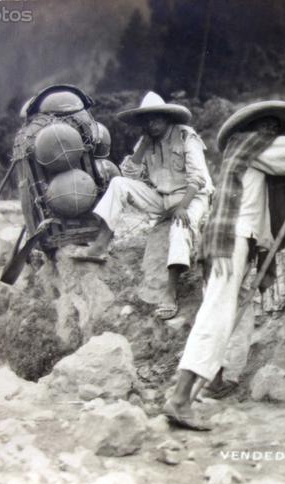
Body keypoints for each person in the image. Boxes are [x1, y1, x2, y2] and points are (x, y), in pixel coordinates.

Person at [163, 100, 285, 430]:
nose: (273, 133)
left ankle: (210, 384)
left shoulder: (251, 161)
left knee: (227, 314)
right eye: (270, 128)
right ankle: (179, 399)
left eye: (275, 128)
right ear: (258, 130)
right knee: (216, 316)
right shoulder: (253, 145)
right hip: (232, 241)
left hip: (232, 241)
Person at [73, 92, 212, 320]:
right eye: (147, 120)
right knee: (118, 183)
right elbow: (128, 173)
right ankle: (100, 245)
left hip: (191, 197)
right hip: (162, 198)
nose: (152, 124)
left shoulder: (186, 137)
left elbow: (198, 179)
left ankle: (170, 293)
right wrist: (144, 145)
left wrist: (183, 207)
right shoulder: (146, 141)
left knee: (178, 228)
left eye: (157, 118)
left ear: (167, 118)